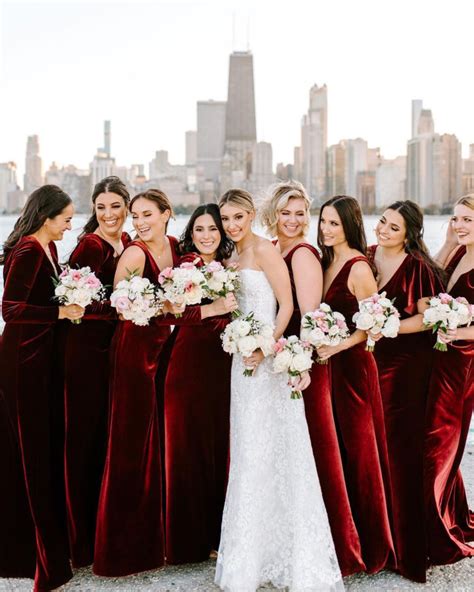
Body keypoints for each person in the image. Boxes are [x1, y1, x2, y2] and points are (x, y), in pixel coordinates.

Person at [94, 189, 235, 577]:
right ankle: (124, 547)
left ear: (167, 215)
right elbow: (116, 306)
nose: (139, 222)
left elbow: (183, 302)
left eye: (146, 215)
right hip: (135, 354)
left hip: (166, 353)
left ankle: (164, 536)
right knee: (131, 445)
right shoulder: (134, 254)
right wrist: (162, 307)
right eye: (135, 216)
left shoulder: (176, 248)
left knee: (159, 449)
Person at [215, 188, 343, 592]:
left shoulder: (276, 253)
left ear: (252, 214)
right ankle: (250, 556)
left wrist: (265, 346)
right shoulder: (233, 256)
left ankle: (292, 555)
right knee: (249, 453)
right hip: (242, 364)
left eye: (239, 217)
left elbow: (288, 308)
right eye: (226, 220)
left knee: (280, 451)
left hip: (268, 363)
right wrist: (241, 344)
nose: (232, 226)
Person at [260, 181, 365, 576]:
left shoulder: (303, 254)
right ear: (274, 213)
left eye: (300, 213)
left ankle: (333, 544)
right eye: (286, 212)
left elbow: (311, 317)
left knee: (314, 452)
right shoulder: (272, 247)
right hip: (278, 360)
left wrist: (301, 364)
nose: (294, 220)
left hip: (301, 364)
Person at [0, 185, 83, 592]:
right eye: (66, 219)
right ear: (47, 217)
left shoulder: (48, 248)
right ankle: (39, 557)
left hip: (41, 360)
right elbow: (10, 309)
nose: (70, 225)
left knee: (38, 450)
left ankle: (32, 548)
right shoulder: (30, 250)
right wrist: (60, 311)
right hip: (22, 363)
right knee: (30, 452)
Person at [316, 195, 395, 573]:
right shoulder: (325, 261)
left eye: (334, 223)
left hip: (353, 371)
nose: (327, 230)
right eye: (324, 222)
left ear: (350, 225)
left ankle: (373, 543)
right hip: (327, 368)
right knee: (335, 453)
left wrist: (337, 345)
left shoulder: (358, 267)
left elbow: (372, 326)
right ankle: (339, 535)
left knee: (360, 452)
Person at [367, 200, 443, 582]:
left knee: (399, 450)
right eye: (382, 222)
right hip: (368, 364)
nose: (383, 230)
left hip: (405, 368)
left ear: (410, 234)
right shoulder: (365, 256)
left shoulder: (419, 269)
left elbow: (428, 317)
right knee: (370, 448)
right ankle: (373, 539)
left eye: (394, 228)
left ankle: (406, 547)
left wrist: (389, 327)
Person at [63, 176, 131, 567]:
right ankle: (80, 541)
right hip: (86, 352)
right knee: (84, 441)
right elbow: (76, 304)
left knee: (107, 439)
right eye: (101, 207)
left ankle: (106, 529)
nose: (108, 214)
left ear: (126, 206)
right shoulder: (90, 246)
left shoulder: (126, 245)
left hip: (114, 351)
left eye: (115, 206)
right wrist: (120, 307)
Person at [164, 203, 236, 564]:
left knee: (220, 444)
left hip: (224, 363)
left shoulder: (229, 266)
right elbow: (170, 314)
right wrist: (215, 306)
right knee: (189, 446)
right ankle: (187, 540)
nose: (206, 236)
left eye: (212, 229)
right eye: (199, 230)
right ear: (190, 234)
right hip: (190, 361)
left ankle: (219, 536)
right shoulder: (184, 267)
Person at [423, 194, 474, 565]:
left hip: (463, 362)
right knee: (431, 434)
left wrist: (462, 335)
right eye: (456, 218)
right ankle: (446, 508)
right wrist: (448, 242)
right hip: (437, 356)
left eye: (467, 220)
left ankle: (434, 527)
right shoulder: (457, 250)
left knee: (440, 440)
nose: (459, 225)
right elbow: (434, 277)